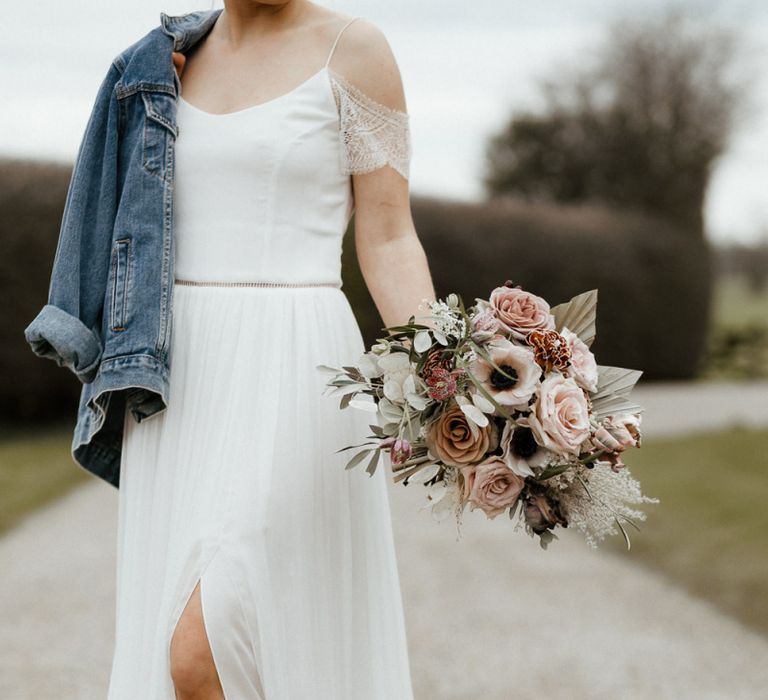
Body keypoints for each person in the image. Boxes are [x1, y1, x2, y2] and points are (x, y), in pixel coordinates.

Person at [104, 1, 434, 698]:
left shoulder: (356, 49)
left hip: (299, 370)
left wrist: (453, 376)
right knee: (179, 652)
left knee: (206, 646)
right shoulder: (160, 62)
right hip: (175, 375)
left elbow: (389, 236)